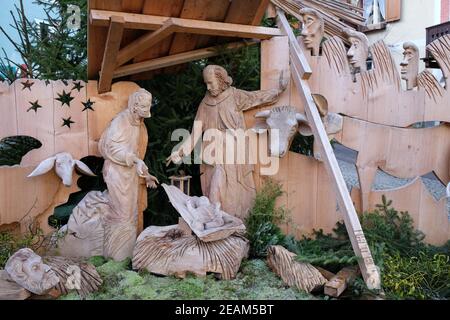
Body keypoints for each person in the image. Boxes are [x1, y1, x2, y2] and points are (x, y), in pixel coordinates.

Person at [166, 65, 287, 220]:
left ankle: (234, 224)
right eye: (206, 84)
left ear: (221, 80)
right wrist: (180, 151)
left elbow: (257, 97)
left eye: (211, 83)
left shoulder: (235, 96)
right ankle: (217, 223)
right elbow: (196, 132)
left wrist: (279, 90)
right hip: (213, 154)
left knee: (234, 194)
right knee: (215, 188)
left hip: (235, 153)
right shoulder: (205, 103)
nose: (208, 87)